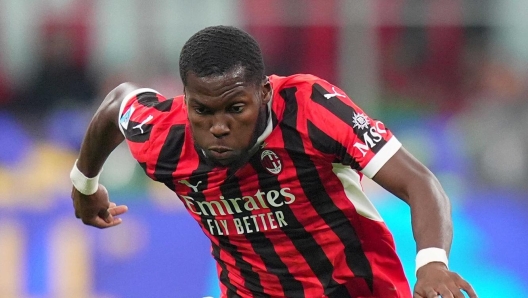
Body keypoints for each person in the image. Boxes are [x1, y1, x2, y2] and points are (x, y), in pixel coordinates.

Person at [70, 25, 477, 298]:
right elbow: (115, 103)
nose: (219, 127)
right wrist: (84, 184)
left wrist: (431, 264)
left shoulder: (312, 109)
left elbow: (421, 182)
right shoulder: (163, 135)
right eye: (203, 111)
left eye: (235, 108)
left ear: (264, 93)